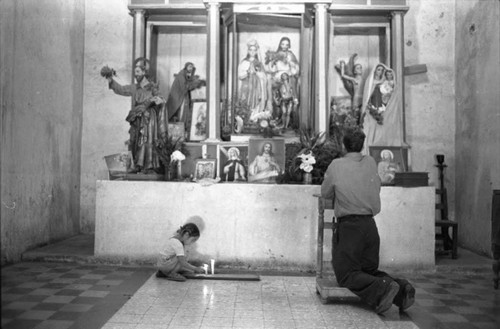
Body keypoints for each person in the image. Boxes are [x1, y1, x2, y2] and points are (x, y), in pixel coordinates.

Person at [321, 128, 415, 314]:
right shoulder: (371, 162)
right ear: (362, 145)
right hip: (370, 227)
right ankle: (402, 289)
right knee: (368, 271)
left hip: (350, 228)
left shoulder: (336, 165)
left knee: (348, 275)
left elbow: (325, 193)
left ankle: (386, 288)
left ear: (343, 145)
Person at [105, 58, 168, 173]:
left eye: (138, 72)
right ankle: (137, 166)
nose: (136, 74)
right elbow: (121, 89)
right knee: (135, 141)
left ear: (144, 73)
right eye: (135, 72)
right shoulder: (134, 88)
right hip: (137, 118)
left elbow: (161, 99)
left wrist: (158, 100)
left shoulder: (152, 87)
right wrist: (110, 79)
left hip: (149, 120)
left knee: (148, 141)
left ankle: (149, 167)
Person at [166, 62, 206, 132]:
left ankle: (183, 128)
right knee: (179, 112)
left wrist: (196, 81)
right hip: (178, 97)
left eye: (192, 67)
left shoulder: (186, 75)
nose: (191, 68)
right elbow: (185, 87)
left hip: (183, 96)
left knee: (184, 112)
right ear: (186, 67)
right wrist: (196, 83)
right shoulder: (181, 75)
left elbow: (189, 82)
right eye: (189, 67)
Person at [238, 40, 270, 122]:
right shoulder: (244, 62)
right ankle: (247, 118)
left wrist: (258, 73)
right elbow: (240, 75)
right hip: (247, 86)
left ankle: (255, 118)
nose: (252, 52)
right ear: (248, 51)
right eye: (250, 50)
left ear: (256, 51)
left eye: (254, 50)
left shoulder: (259, 63)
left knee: (257, 101)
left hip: (257, 87)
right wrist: (248, 72)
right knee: (247, 101)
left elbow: (264, 76)